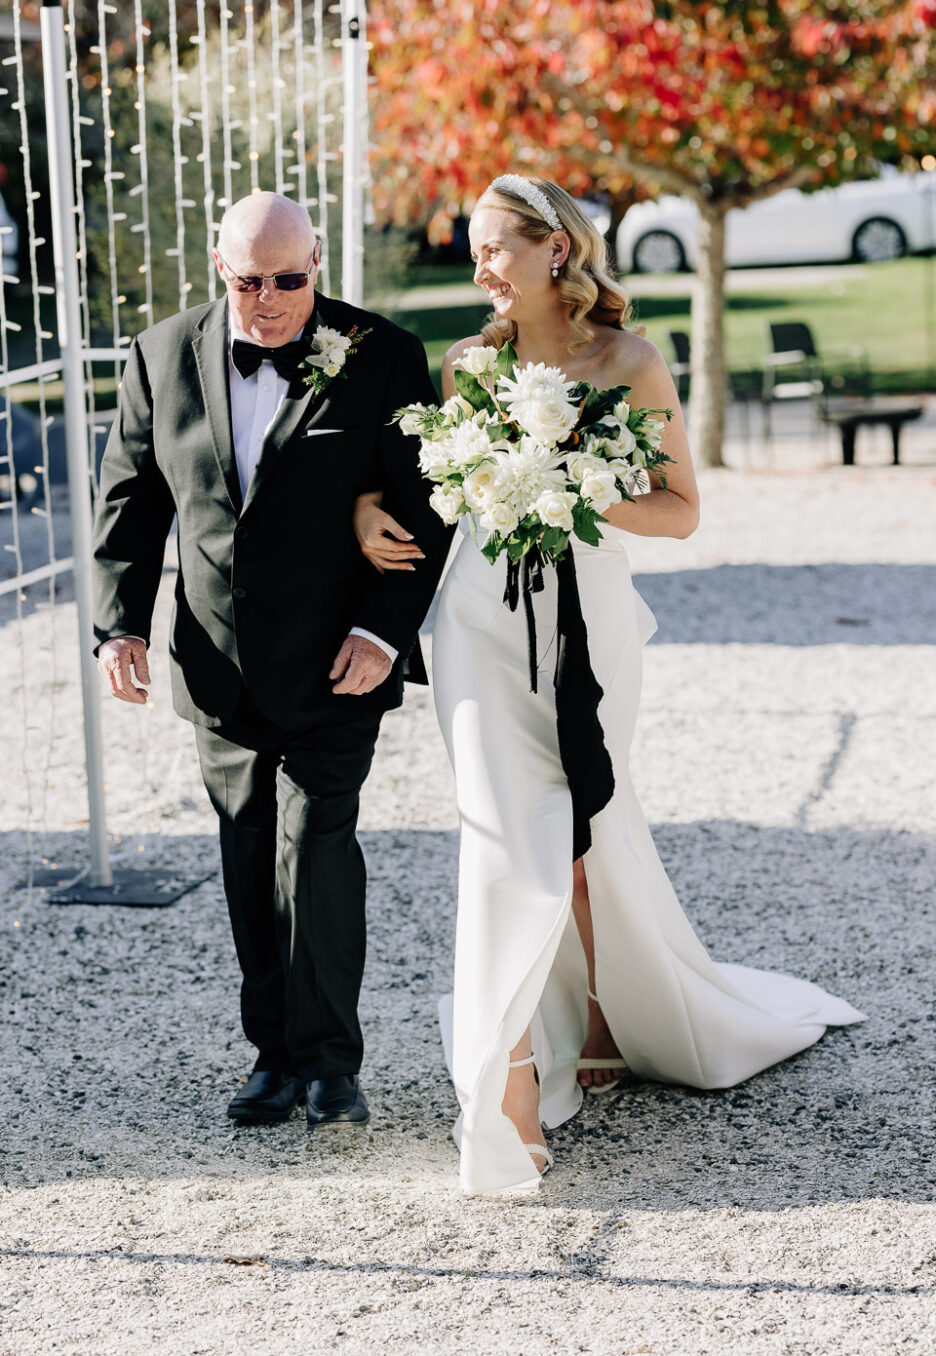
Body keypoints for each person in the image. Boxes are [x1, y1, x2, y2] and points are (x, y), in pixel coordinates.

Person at [353, 175, 865, 1196]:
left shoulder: (627, 360)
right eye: (476, 251)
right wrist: (374, 501)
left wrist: (573, 484)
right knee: (502, 836)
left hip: (588, 627)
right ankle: (506, 1083)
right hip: (480, 627)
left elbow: (679, 511)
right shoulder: (469, 366)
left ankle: (602, 1021)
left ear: (556, 250)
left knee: (587, 834)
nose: (481, 267)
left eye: (496, 247)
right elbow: (444, 491)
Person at [92, 192, 451, 1132]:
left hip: (339, 664)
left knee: (318, 849)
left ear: (318, 265)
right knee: (249, 854)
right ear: (220, 267)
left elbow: (422, 510)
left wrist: (382, 635)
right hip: (217, 665)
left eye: (288, 280)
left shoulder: (382, 358)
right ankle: (273, 1057)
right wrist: (117, 627)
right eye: (248, 281)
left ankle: (333, 1064)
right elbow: (129, 504)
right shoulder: (160, 355)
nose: (268, 301)